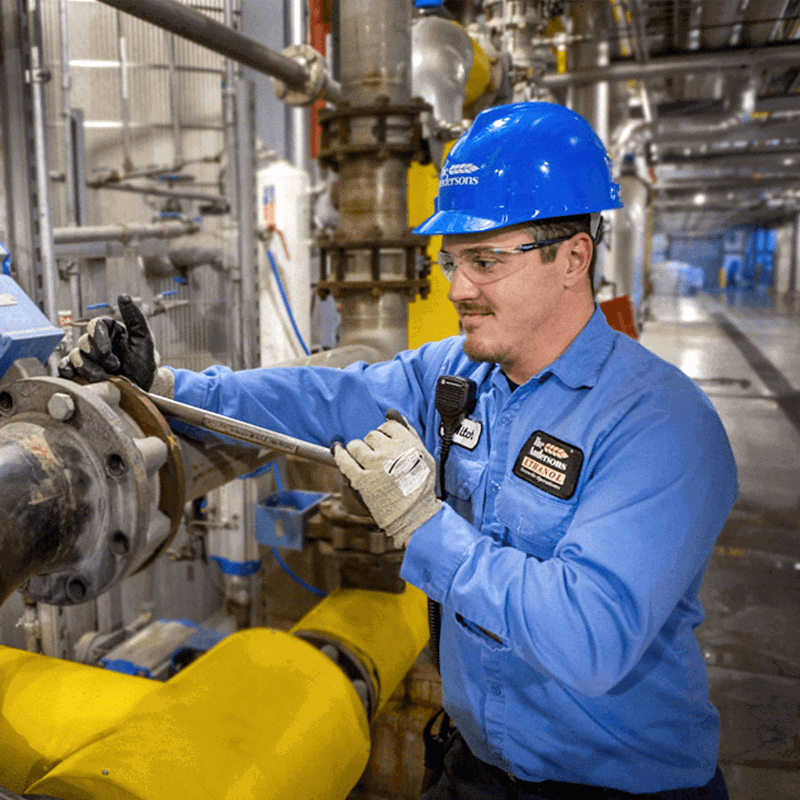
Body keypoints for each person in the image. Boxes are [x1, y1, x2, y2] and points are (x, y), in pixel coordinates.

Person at [61, 102, 738, 800]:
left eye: (484, 261)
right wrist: (165, 385)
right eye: (451, 261)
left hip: (618, 789)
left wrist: (425, 528)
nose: (456, 288)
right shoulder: (459, 376)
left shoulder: (660, 426)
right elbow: (318, 400)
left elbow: (589, 637)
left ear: (572, 259)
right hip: (475, 767)